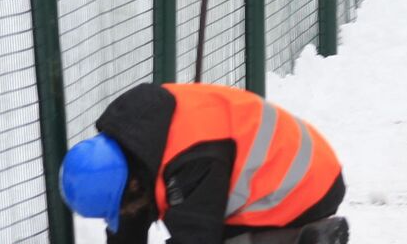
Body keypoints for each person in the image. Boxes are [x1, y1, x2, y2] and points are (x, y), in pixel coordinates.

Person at [59, 82, 347, 244]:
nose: (125, 214)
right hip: (280, 166)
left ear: (132, 184)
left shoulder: (190, 163)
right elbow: (128, 226)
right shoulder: (135, 148)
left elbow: (195, 239)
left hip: (305, 183)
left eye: (121, 206)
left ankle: (306, 238)